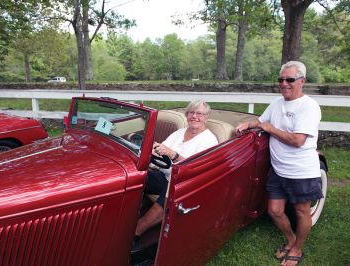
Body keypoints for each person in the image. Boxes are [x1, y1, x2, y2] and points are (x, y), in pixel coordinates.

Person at [236, 61, 322, 266]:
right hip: (278, 169)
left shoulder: (308, 106)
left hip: (301, 171)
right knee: (274, 210)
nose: (284, 83)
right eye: (281, 79)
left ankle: (297, 250)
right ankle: (291, 240)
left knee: (302, 212)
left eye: (290, 79)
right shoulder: (277, 103)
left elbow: (297, 140)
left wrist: (270, 128)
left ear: (302, 81)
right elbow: (260, 121)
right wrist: (248, 124)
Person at [134, 100, 218, 240]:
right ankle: (125, 217)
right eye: (191, 112)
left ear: (206, 117)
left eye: (200, 114)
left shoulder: (209, 140)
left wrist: (174, 155)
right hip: (165, 175)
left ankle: (138, 230)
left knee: (169, 192)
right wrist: (155, 149)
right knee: (138, 178)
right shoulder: (179, 132)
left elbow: (195, 167)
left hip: (184, 183)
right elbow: (164, 148)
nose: (195, 116)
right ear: (186, 115)